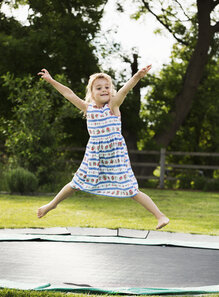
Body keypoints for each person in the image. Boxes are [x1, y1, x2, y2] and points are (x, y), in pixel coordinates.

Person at [37, 66, 169, 230]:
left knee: (132, 190)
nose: (104, 90)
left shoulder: (113, 106)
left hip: (115, 157)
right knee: (75, 183)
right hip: (94, 157)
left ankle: (160, 216)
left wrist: (137, 76)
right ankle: (51, 205)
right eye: (99, 88)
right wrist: (51, 80)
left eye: (107, 87)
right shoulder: (88, 108)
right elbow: (68, 94)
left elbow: (125, 90)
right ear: (92, 93)